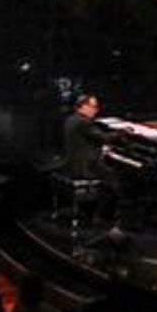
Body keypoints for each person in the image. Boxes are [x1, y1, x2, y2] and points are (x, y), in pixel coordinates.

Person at [61, 94, 123, 237]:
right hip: (85, 167)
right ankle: (104, 218)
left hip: (72, 163)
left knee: (110, 175)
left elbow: (86, 141)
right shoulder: (84, 122)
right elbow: (106, 137)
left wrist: (101, 148)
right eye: (94, 106)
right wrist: (124, 131)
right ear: (83, 106)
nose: (97, 110)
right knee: (114, 181)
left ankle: (93, 212)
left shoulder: (70, 119)